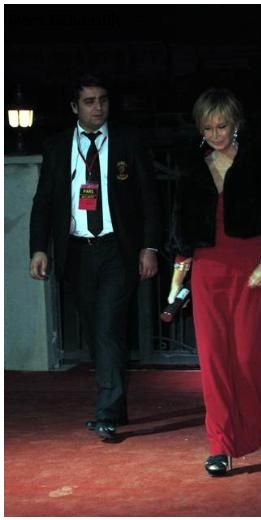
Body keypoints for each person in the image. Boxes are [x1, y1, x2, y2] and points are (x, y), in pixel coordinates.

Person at [168, 88, 261, 476]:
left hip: (252, 268)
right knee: (214, 361)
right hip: (208, 272)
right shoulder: (192, 166)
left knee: (248, 357)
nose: (215, 135)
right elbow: (182, 229)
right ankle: (220, 444)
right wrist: (177, 279)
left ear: (236, 123)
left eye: (221, 126)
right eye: (207, 128)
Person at [29, 73, 161, 440]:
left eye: (103, 99)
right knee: (96, 330)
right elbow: (43, 202)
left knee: (107, 326)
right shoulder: (57, 146)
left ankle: (106, 412)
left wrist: (149, 246)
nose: (98, 107)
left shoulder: (128, 141)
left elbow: (150, 197)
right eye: (89, 101)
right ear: (75, 107)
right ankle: (115, 407)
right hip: (77, 251)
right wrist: (39, 248)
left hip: (117, 249)